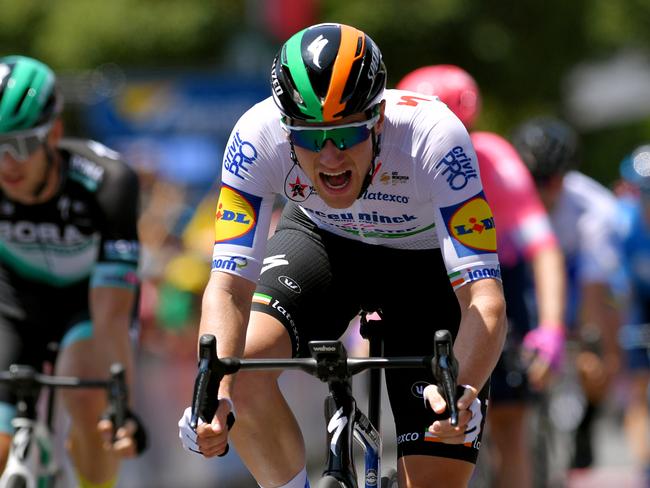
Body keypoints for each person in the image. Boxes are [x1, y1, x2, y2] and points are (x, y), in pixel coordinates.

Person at [178, 23, 507, 488]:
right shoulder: (256, 136)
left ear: (377, 119)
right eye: (310, 139)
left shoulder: (434, 138)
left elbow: (484, 300)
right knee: (243, 370)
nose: (330, 158)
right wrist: (215, 392)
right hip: (323, 242)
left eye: (347, 135)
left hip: (424, 264)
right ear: (286, 127)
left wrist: (465, 392)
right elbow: (229, 285)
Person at [397, 64, 567, 488]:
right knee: (424, 432)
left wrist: (550, 329)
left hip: (490, 282)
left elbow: (543, 249)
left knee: (508, 424)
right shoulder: (391, 161)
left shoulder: (495, 157)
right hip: (423, 282)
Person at [0, 55, 147, 487]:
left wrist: (123, 407)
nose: (8, 162)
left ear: (55, 134)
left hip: (86, 308)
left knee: (87, 397)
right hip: (13, 306)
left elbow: (112, 316)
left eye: (23, 145)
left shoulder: (107, 184)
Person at [510, 116, 622, 472]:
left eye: (551, 180)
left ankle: (588, 419)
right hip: (525, 274)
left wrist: (589, 344)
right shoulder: (503, 192)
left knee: (601, 344)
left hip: (578, 281)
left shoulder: (596, 208)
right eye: (534, 181)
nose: (543, 190)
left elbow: (593, 288)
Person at [615, 144, 650, 484]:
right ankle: (645, 465)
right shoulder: (623, 223)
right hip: (638, 302)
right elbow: (614, 277)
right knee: (638, 385)